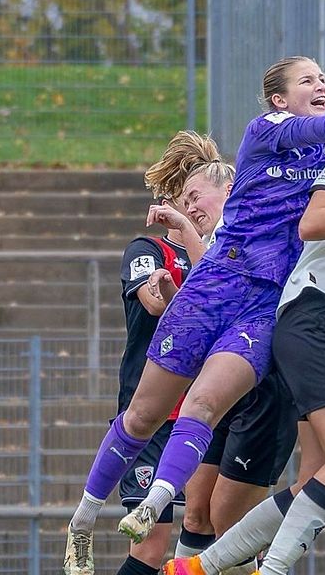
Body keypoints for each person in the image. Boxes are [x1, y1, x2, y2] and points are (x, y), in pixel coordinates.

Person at [63, 49, 325, 575]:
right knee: (148, 422)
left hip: (273, 306)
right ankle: (84, 523)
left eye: (324, 79)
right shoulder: (270, 131)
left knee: (224, 430)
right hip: (242, 290)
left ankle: (171, 525)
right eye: (308, 80)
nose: (322, 85)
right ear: (279, 99)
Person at [143, 140, 300, 575]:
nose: (190, 207)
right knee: (197, 514)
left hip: (264, 384)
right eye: (185, 200)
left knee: (231, 521)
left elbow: (227, 284)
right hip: (220, 380)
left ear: (231, 188)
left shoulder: (258, 225)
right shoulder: (215, 237)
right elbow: (210, 301)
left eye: (195, 198)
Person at [109, 131, 234, 575]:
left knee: (210, 520)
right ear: (173, 200)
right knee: (149, 542)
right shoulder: (147, 250)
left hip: (208, 410)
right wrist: (166, 296)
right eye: (187, 194)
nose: (195, 205)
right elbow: (154, 301)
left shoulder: (224, 253)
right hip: (156, 414)